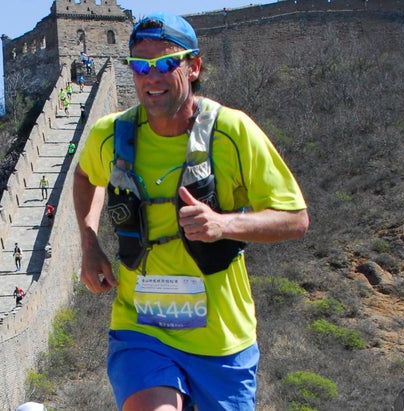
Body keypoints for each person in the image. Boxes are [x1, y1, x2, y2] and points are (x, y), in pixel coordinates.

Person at [73, 12, 309, 411]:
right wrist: (89, 243)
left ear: (194, 66)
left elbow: (295, 218)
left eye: (166, 63)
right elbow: (84, 177)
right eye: (140, 66)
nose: (153, 77)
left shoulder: (232, 132)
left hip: (221, 339)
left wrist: (224, 224)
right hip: (141, 328)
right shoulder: (110, 135)